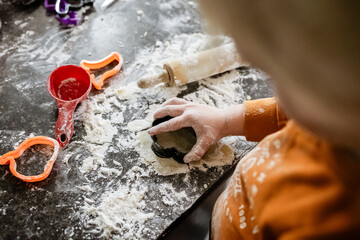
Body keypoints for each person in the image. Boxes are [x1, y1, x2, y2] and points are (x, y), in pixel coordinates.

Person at [148, 1, 360, 239]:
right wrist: (226, 119)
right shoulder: (333, 112)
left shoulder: (322, 223)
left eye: (277, 75)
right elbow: (294, 112)